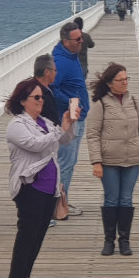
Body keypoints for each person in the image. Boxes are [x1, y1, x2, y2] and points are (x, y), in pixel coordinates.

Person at [3, 78, 76, 278]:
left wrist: (68, 123)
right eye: (36, 97)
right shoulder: (16, 125)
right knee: (27, 234)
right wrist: (59, 131)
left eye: (42, 97)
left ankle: (26, 276)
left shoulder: (44, 122)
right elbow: (35, 145)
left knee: (38, 234)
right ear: (23, 101)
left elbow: (64, 140)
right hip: (30, 187)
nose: (41, 101)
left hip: (48, 188)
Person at [86, 62, 139, 256]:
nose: (125, 83)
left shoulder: (134, 101)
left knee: (126, 199)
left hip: (133, 160)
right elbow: (92, 135)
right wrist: (96, 162)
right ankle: (109, 241)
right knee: (111, 199)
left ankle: (124, 240)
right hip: (109, 161)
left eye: (126, 79)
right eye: (120, 80)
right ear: (110, 83)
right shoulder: (100, 104)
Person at [51, 21, 90, 216]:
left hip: (78, 116)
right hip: (69, 117)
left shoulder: (71, 56)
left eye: (81, 37)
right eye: (77, 39)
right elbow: (52, 87)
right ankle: (57, 205)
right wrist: (70, 103)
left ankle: (63, 200)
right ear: (66, 42)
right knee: (65, 163)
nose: (81, 41)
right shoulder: (60, 61)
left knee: (71, 161)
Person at [33, 53, 62, 124]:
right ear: (47, 72)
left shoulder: (48, 88)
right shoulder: (36, 93)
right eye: (55, 70)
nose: (56, 73)